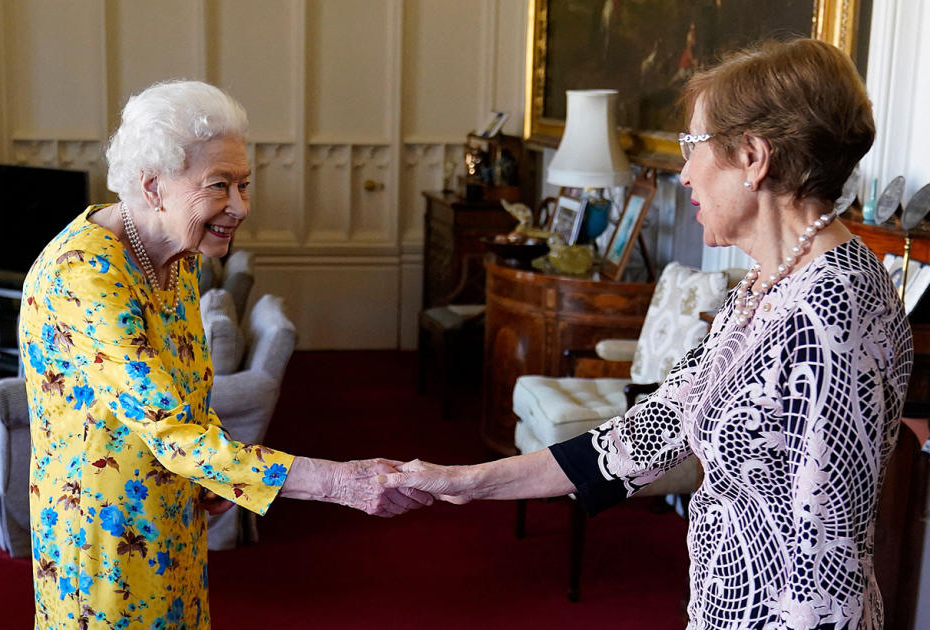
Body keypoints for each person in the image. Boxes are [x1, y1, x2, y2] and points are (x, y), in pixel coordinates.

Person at [383, 39, 913, 629]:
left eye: (693, 145)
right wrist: (469, 482)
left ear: (754, 158)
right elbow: (648, 432)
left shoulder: (835, 303)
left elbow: (825, 558)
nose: (683, 172)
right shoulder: (766, 285)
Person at [19, 80, 432, 629]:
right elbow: (171, 429)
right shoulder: (86, 275)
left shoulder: (177, 252)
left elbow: (184, 390)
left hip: (171, 511)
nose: (239, 207)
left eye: (244, 184)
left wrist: (217, 475)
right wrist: (339, 482)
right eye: (219, 186)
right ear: (153, 186)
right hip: (104, 533)